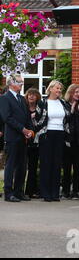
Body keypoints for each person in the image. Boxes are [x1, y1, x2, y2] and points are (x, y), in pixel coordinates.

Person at [34, 80, 71, 202]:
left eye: (60, 89)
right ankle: (45, 193)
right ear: (50, 89)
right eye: (57, 88)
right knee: (46, 164)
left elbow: (67, 119)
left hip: (60, 134)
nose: (59, 91)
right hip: (47, 134)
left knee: (56, 164)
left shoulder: (63, 103)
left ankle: (55, 193)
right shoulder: (43, 102)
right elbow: (37, 121)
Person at [0, 74, 34, 202]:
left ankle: (19, 191)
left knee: (22, 165)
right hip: (12, 137)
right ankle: (8, 193)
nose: (22, 84)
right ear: (11, 84)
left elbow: (27, 117)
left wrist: (29, 130)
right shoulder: (4, 98)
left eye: (21, 82)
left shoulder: (21, 98)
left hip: (23, 138)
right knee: (10, 165)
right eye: (19, 82)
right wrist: (22, 129)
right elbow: (7, 118)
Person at [24, 88, 41, 199]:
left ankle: (31, 191)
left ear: (37, 97)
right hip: (24, 141)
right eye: (29, 94)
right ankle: (20, 190)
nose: (31, 96)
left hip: (36, 142)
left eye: (34, 95)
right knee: (21, 167)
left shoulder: (40, 110)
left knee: (33, 167)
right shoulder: (23, 109)